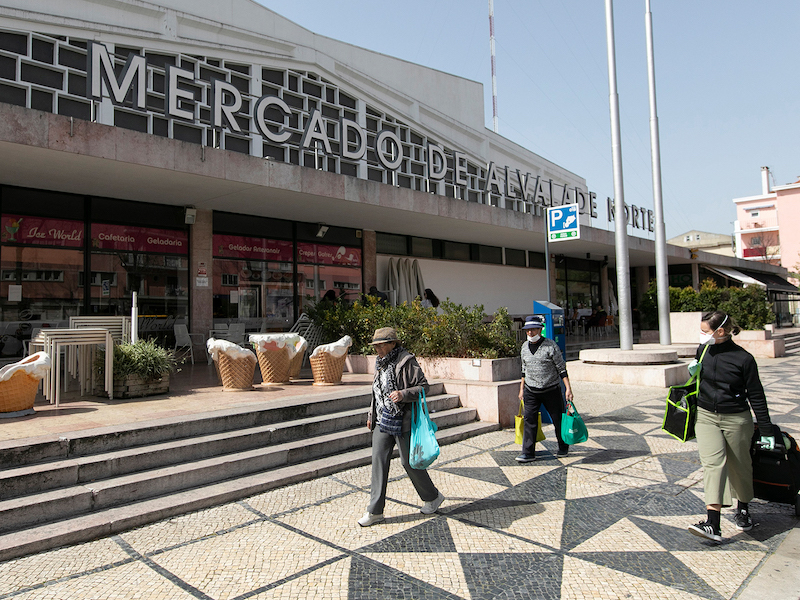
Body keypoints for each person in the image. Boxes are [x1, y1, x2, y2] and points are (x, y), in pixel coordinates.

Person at [687, 310, 775, 543]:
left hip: (736, 418)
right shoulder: (703, 350)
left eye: (705, 331)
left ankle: (743, 508)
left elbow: (756, 395)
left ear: (721, 331)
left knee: (740, 465)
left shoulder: (743, 359)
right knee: (713, 465)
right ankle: (712, 523)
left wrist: (766, 430)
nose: (701, 335)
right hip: (706, 416)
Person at [358, 327, 445, 526]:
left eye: (380, 345)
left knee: (409, 462)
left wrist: (403, 394)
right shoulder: (380, 363)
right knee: (378, 462)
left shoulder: (406, 360)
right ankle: (375, 511)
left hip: (403, 419)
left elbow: (424, 386)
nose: (377, 350)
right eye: (376, 346)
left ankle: (432, 497)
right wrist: (371, 413)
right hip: (382, 420)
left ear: (392, 344)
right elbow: (376, 391)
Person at [516, 315, 573, 462]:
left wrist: (568, 388)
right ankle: (528, 452)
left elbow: (561, 368)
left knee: (557, 419)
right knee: (530, 420)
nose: (530, 333)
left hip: (551, 389)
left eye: (533, 329)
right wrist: (521, 388)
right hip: (530, 390)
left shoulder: (550, 345)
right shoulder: (524, 347)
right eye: (528, 330)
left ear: (540, 329)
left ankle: (563, 446)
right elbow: (524, 369)